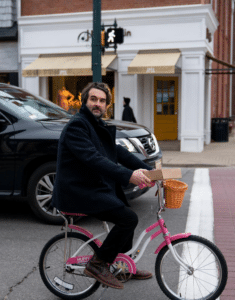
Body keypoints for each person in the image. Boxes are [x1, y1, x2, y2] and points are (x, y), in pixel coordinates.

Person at [52, 82, 154, 290]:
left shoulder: (96, 125)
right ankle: (98, 264)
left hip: (92, 186)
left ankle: (119, 266)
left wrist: (149, 171)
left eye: (102, 101)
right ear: (84, 101)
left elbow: (119, 153)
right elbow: (94, 159)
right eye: (93, 99)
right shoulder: (77, 125)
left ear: (107, 105)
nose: (98, 104)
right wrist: (129, 176)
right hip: (77, 190)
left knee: (126, 216)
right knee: (128, 218)